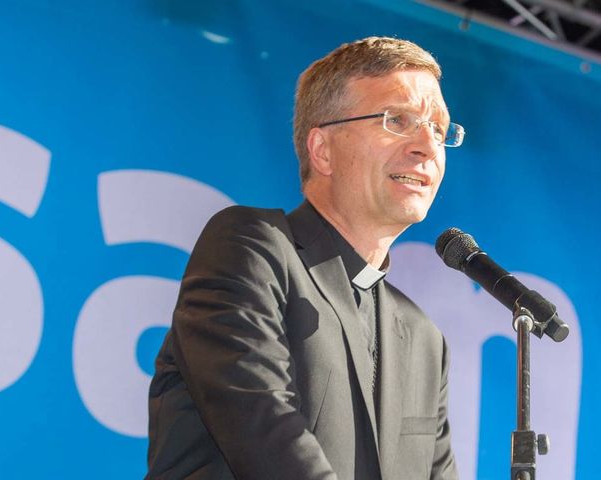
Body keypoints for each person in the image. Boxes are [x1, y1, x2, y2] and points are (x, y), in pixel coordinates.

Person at [145, 37, 464, 480]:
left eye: (437, 128)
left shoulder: (424, 339)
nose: (427, 147)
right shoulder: (251, 247)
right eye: (399, 120)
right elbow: (263, 429)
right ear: (322, 150)